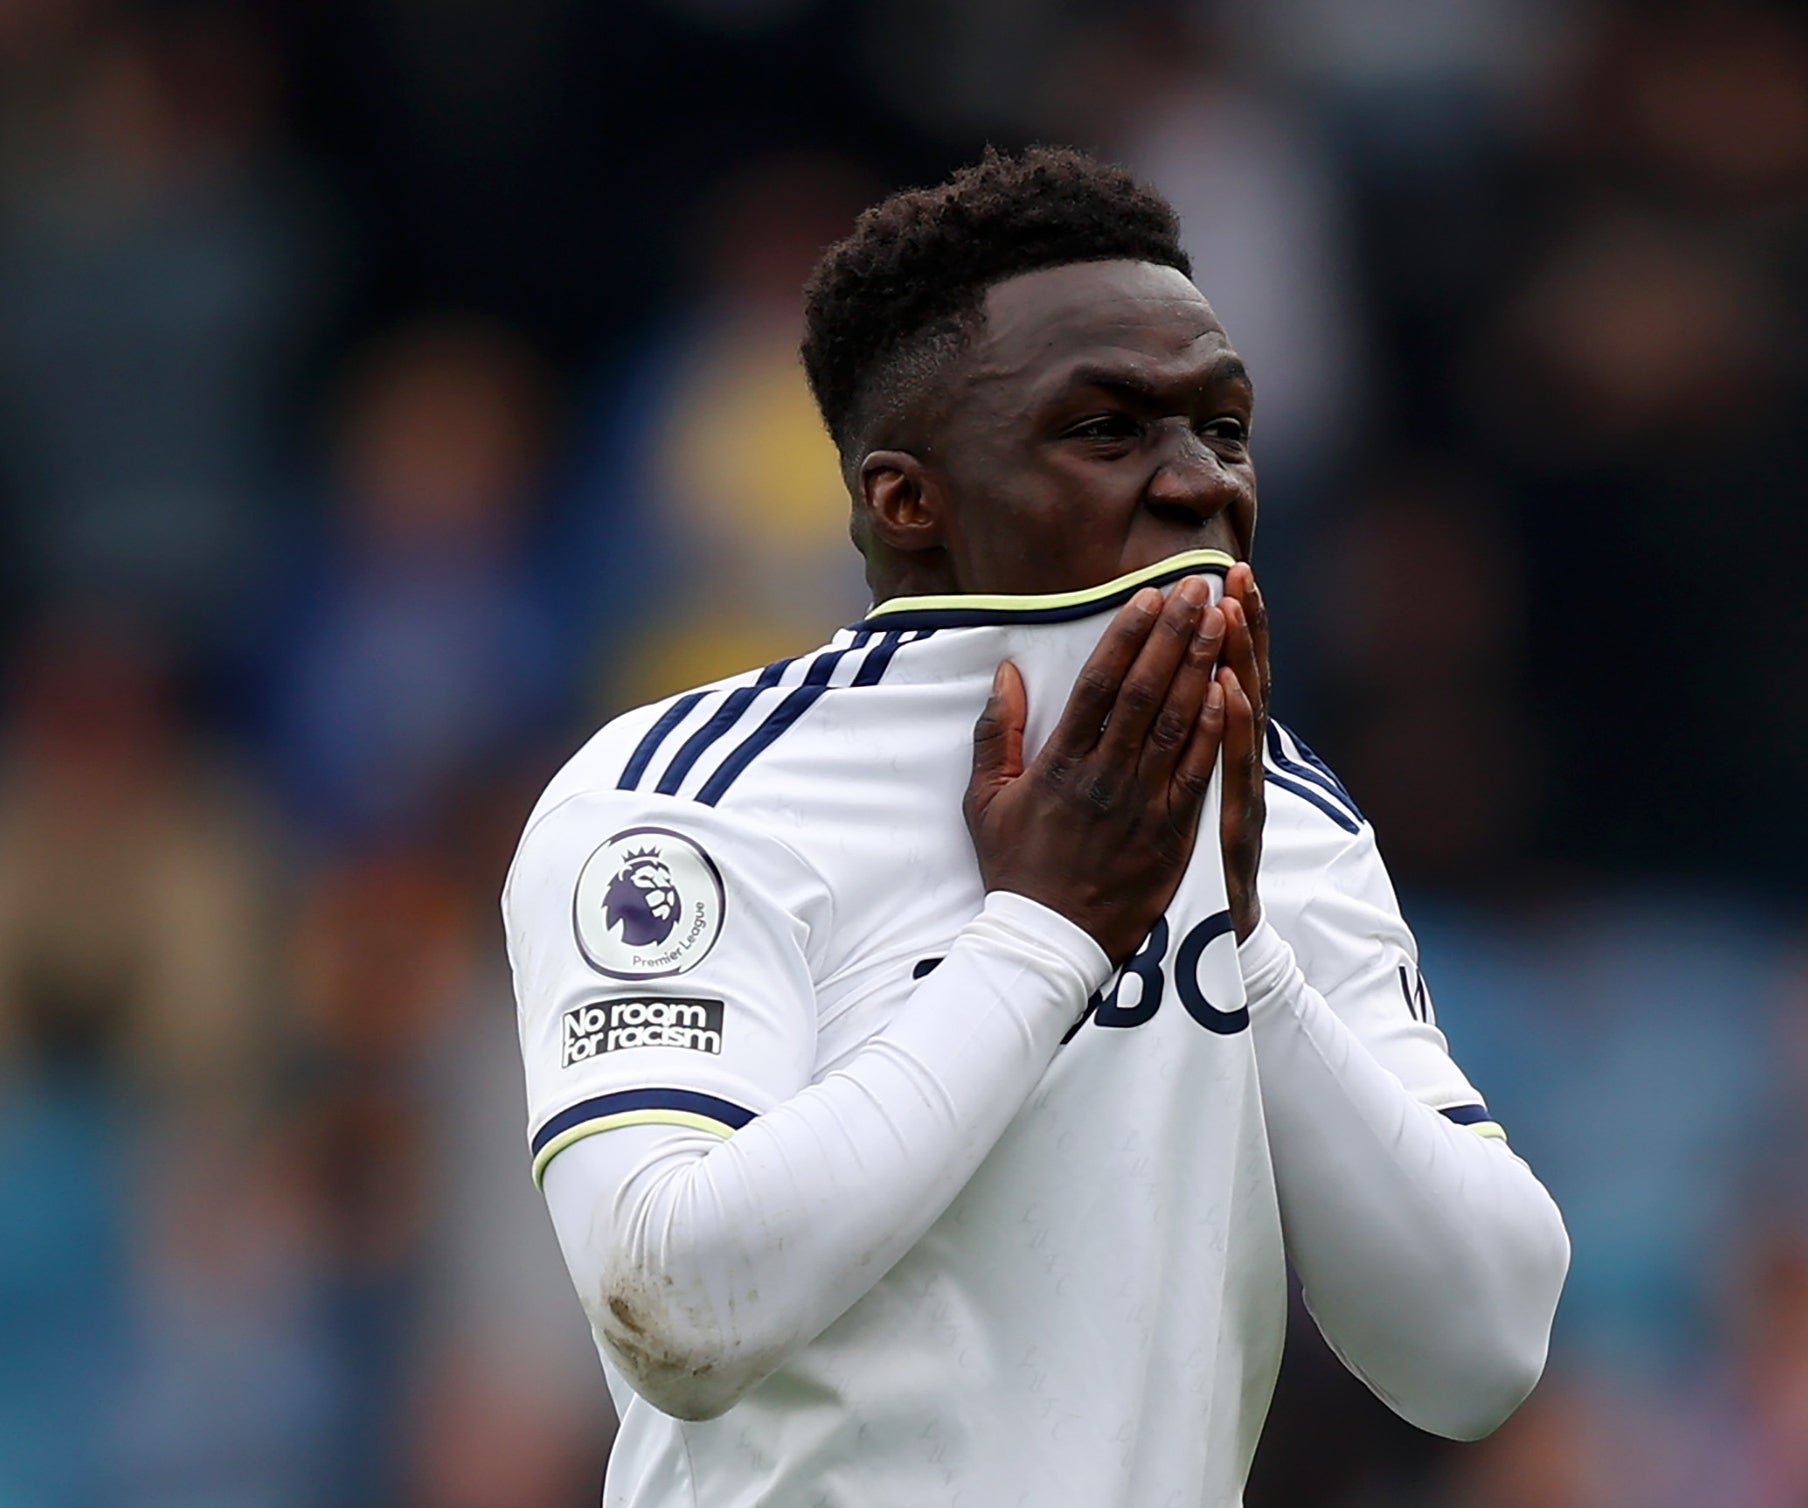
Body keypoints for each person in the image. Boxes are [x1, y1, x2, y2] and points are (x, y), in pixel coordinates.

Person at [504, 146, 1569, 1506]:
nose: (1200, 483)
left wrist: (1245, 946)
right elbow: (679, 1309)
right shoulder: (685, 796)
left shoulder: (1280, 815)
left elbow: (1477, 1352)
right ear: (907, 500)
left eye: (1221, 428)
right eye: (1108, 430)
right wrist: (1046, 935)